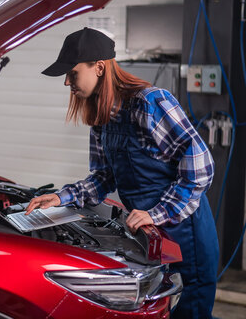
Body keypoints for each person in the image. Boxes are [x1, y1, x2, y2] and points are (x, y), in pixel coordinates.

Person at [25, 27, 219, 318]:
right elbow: (104, 177)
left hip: (184, 226)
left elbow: (200, 165)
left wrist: (157, 213)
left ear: (99, 67)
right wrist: (61, 198)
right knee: (155, 304)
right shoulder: (102, 118)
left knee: (192, 302)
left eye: (72, 73)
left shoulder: (151, 103)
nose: (67, 82)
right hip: (144, 229)